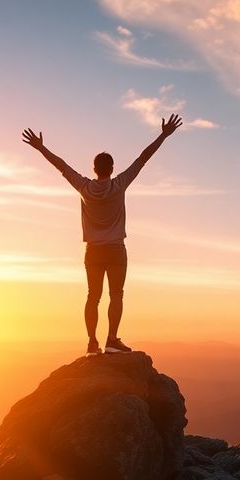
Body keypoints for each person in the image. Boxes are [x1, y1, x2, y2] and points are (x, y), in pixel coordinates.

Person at [22, 114, 184, 354]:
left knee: (93, 296)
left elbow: (61, 166)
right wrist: (163, 135)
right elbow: (143, 158)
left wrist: (41, 148)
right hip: (116, 250)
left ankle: (91, 342)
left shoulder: (84, 187)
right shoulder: (119, 185)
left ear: (94, 169)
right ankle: (111, 339)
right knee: (116, 295)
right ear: (112, 169)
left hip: (93, 251)